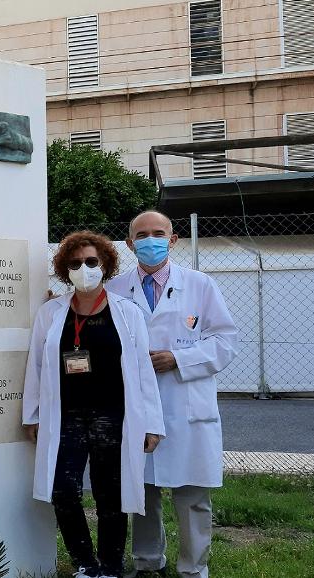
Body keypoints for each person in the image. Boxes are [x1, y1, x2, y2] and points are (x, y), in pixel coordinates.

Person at [23, 230, 165, 578]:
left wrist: (152, 423)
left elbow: (143, 370)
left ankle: (111, 567)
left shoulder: (127, 313)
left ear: (105, 265)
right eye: (75, 263)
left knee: (110, 495)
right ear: (64, 269)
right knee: (63, 491)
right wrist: (32, 415)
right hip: (66, 416)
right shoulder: (51, 313)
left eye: (91, 261)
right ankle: (85, 563)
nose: (83, 268)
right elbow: (37, 366)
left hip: (113, 416)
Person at [108, 211, 237, 578]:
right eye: (142, 235)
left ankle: (194, 569)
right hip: (137, 406)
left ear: (173, 239)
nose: (151, 241)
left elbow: (226, 342)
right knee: (142, 493)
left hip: (187, 403)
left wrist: (179, 359)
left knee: (193, 496)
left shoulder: (201, 285)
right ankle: (148, 563)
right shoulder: (115, 289)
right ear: (130, 244)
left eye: (158, 233)